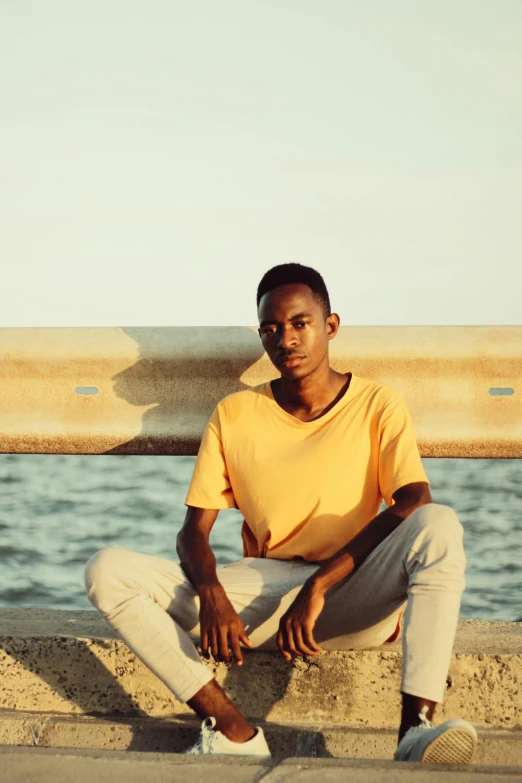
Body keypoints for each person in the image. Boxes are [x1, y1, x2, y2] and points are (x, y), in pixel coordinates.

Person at [85, 263, 477, 763]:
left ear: (330, 326)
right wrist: (212, 594)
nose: (285, 339)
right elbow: (193, 533)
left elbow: (413, 500)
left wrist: (320, 585)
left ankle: (414, 730)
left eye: (299, 323)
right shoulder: (235, 413)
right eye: (271, 329)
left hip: (354, 594)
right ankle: (230, 730)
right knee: (107, 570)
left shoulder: (378, 403)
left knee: (439, 523)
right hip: (266, 599)